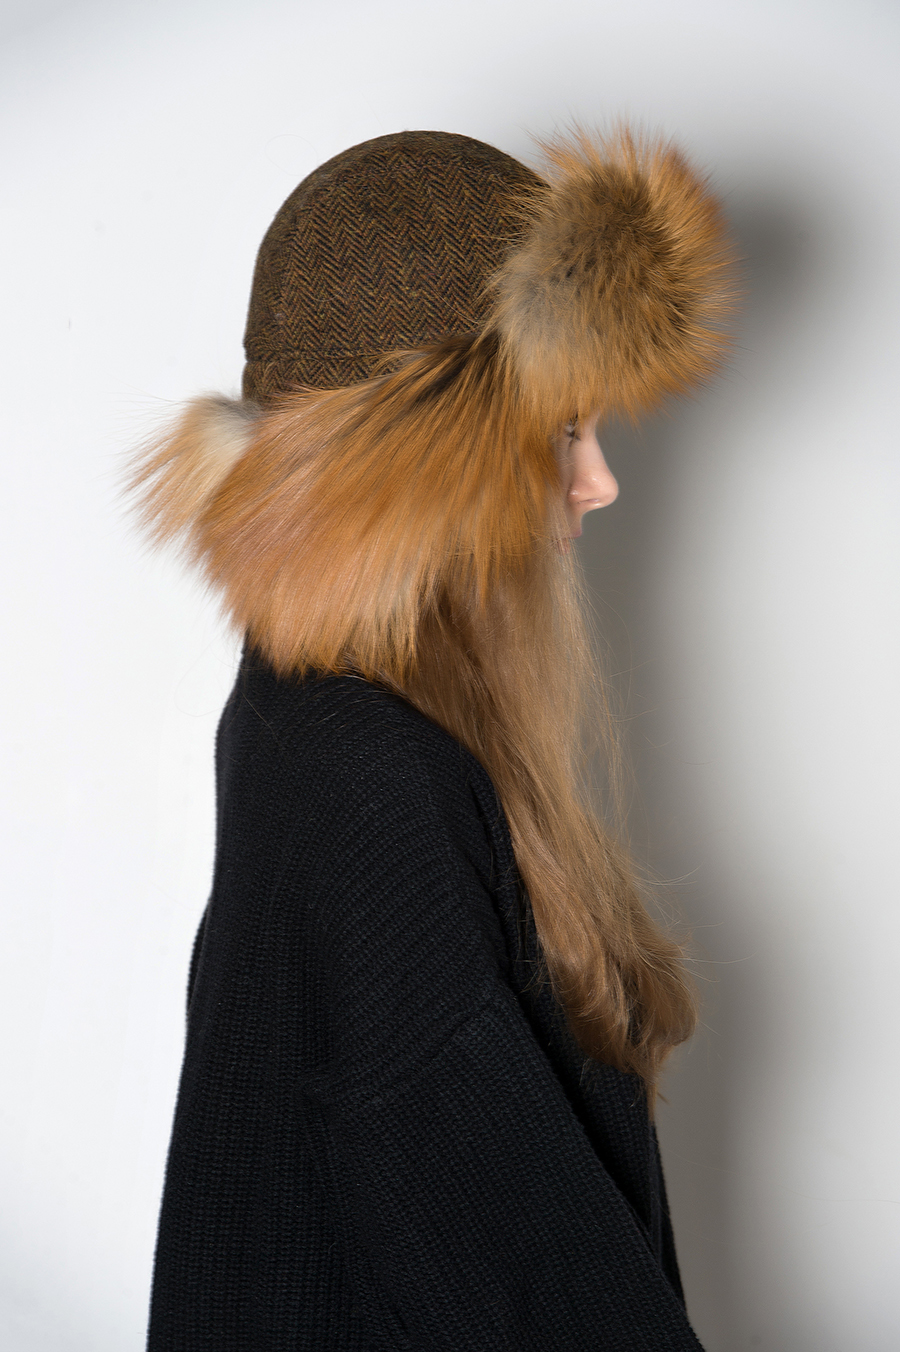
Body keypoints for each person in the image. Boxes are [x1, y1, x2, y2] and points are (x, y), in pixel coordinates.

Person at [133, 126, 734, 1350]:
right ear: (425, 470)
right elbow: (532, 1283)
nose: (600, 479)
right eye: (563, 431)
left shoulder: (308, 716)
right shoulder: (370, 778)